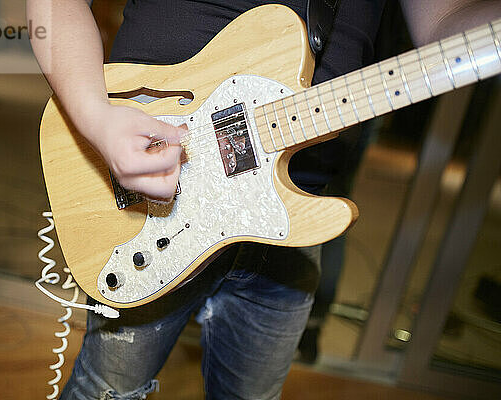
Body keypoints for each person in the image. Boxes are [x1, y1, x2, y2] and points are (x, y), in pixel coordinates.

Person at [27, 1, 500, 398]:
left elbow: (446, 18)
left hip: (291, 211)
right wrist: (94, 118)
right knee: (105, 391)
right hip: (154, 191)